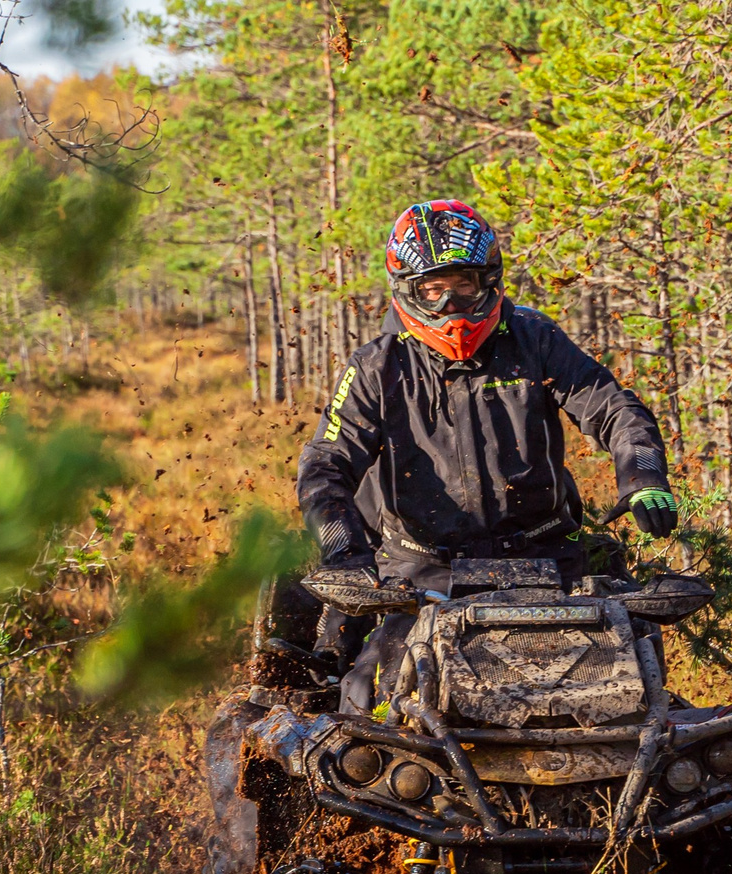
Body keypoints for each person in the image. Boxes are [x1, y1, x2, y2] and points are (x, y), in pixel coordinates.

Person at [267, 201, 680, 695]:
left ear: (488, 281)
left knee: (630, 685)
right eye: (434, 290)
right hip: (422, 569)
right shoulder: (379, 366)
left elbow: (615, 409)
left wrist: (645, 478)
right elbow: (326, 464)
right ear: (408, 291)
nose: (451, 305)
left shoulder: (534, 338)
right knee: (373, 696)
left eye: (464, 285)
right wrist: (343, 551)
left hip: (547, 557)